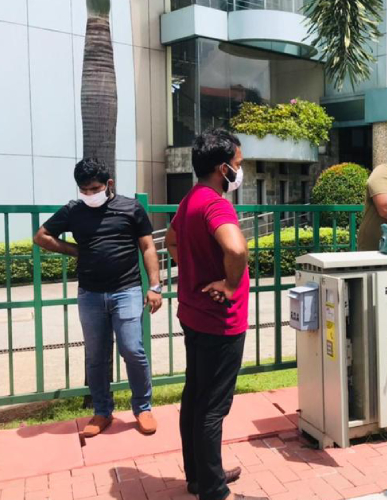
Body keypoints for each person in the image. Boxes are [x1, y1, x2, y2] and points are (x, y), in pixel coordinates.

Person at [165, 129, 264, 500]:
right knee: (212, 407)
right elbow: (237, 250)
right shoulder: (215, 204)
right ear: (223, 168)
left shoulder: (190, 200)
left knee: (195, 396)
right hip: (219, 321)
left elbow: (172, 242)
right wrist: (227, 282)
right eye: (238, 165)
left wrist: (195, 269)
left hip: (192, 314)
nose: (240, 172)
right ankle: (213, 489)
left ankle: (199, 475)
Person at [33, 159, 161, 437]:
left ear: (109, 185)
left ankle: (143, 407)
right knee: (96, 356)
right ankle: (102, 412)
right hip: (90, 294)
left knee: (132, 350)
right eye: (84, 190)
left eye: (94, 189)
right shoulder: (74, 210)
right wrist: (75, 250)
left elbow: (148, 246)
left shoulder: (131, 208)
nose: (89, 194)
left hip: (126, 290)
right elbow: (41, 236)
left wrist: (155, 286)